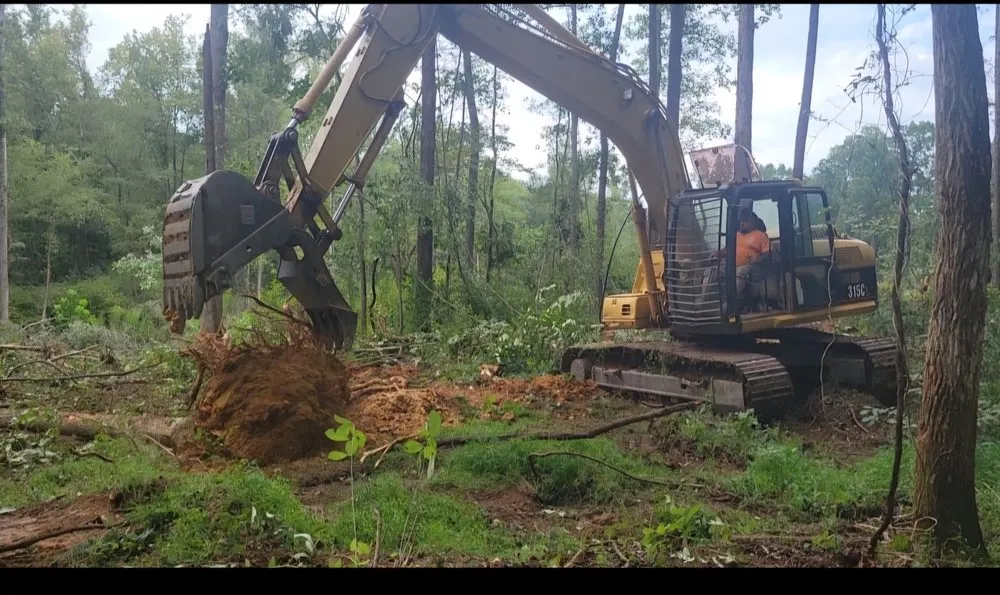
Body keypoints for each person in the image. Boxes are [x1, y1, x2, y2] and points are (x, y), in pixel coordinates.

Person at [703, 207, 771, 298]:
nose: (741, 223)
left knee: (741, 271)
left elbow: (768, 254)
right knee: (711, 271)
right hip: (730, 266)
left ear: (753, 221)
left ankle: (732, 301)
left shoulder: (761, 236)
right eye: (741, 220)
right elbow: (727, 249)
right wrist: (718, 253)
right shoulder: (736, 235)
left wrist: (758, 259)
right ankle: (704, 300)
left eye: (745, 220)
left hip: (752, 267)